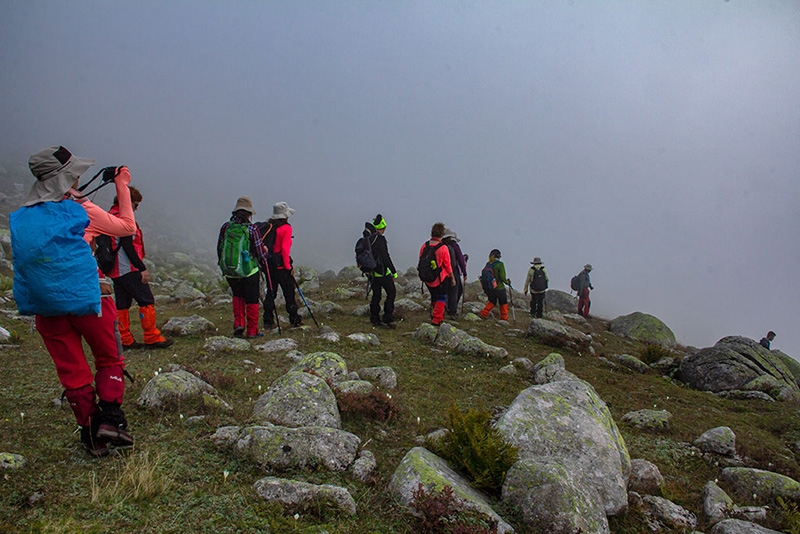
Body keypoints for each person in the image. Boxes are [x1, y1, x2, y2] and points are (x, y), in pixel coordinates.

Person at [10, 146, 138, 457]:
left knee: (72, 369)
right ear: (67, 177)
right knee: (109, 357)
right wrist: (121, 183)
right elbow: (126, 228)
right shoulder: (81, 209)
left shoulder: (23, 217)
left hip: (45, 305)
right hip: (88, 297)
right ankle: (110, 419)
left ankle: (91, 434)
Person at [107, 186, 173, 349]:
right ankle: (151, 336)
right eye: (135, 205)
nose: (136, 209)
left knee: (122, 303)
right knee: (146, 299)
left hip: (115, 270)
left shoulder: (109, 216)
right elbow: (128, 246)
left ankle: (124, 339)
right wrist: (141, 267)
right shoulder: (123, 219)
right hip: (128, 268)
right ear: (127, 203)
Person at [217, 196, 270, 338]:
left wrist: (222, 265)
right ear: (249, 213)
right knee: (252, 299)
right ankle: (252, 331)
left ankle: (238, 324)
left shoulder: (226, 227)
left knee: (238, 296)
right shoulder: (252, 229)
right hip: (248, 270)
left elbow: (220, 247)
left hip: (230, 270)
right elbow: (259, 252)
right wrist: (265, 255)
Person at [261, 202, 302, 328]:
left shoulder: (269, 226)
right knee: (289, 293)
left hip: (270, 265)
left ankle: (268, 320)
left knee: (271, 292)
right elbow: (284, 249)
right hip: (281, 266)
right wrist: (288, 267)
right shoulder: (286, 228)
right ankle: (294, 319)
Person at [419, 222, 455, 326]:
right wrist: (452, 278)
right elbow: (448, 265)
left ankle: (434, 314)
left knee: (434, 296)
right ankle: (437, 318)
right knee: (441, 297)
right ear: (442, 234)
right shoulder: (443, 248)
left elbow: (420, 260)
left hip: (427, 278)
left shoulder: (424, 245)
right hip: (440, 278)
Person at [367, 214, 398, 327]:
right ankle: (387, 317)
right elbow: (385, 256)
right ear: (381, 228)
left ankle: (374, 318)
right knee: (391, 293)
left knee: (376, 295)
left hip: (371, 272)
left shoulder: (368, 239)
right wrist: (393, 271)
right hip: (382, 272)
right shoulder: (380, 239)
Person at [442, 228, 467, 320]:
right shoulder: (454, 245)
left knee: (446, 291)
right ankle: (452, 312)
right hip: (453, 271)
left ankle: (444, 308)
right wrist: (464, 272)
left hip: (443, 272)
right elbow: (460, 259)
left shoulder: (441, 246)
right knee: (456, 291)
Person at [479, 249, 511, 321]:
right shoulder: (500, 264)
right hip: (499, 288)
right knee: (503, 302)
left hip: (490, 288)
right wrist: (507, 282)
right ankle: (504, 318)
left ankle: (484, 313)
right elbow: (502, 277)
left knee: (492, 301)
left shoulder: (488, 264)